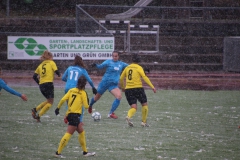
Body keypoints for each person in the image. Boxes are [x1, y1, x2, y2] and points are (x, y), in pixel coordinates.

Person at [54, 76, 95, 158]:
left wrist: (58, 108)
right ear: (84, 84)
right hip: (75, 116)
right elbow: (86, 106)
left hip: (70, 114)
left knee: (82, 132)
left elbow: (62, 99)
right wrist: (89, 103)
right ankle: (58, 153)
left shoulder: (71, 90)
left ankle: (85, 152)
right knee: (68, 134)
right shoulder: (83, 93)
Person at [119, 53, 156, 127]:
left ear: (132, 60)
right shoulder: (139, 67)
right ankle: (143, 122)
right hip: (138, 88)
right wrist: (152, 87)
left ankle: (128, 116)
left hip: (128, 89)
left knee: (133, 107)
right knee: (144, 104)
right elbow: (145, 77)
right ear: (139, 61)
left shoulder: (127, 67)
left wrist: (123, 87)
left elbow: (121, 78)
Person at [88, 51, 128, 119]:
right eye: (114, 56)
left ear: (118, 56)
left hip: (113, 85)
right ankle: (90, 105)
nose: (115, 57)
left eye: (116, 56)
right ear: (112, 56)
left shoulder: (121, 64)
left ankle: (111, 113)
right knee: (97, 97)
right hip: (104, 83)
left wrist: (140, 68)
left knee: (119, 96)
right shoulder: (108, 62)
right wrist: (95, 65)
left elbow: (131, 67)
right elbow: (100, 66)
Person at [61, 55, 97, 124]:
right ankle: (80, 121)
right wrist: (93, 87)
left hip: (67, 88)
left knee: (69, 104)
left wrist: (69, 81)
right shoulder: (82, 70)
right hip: (76, 88)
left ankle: (67, 117)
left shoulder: (69, 68)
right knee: (80, 104)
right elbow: (89, 80)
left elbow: (63, 78)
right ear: (81, 61)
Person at [31, 50, 61, 122]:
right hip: (48, 84)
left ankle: (35, 110)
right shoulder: (51, 63)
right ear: (50, 57)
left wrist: (39, 83)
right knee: (50, 102)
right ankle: (38, 116)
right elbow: (56, 71)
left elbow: (34, 76)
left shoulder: (41, 65)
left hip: (42, 85)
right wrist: (59, 75)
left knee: (48, 100)